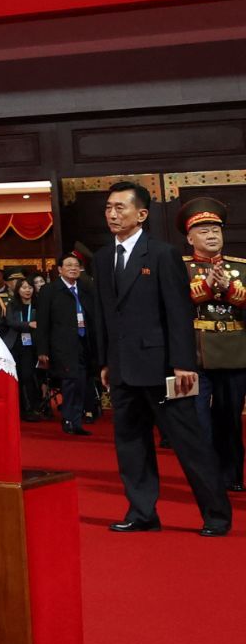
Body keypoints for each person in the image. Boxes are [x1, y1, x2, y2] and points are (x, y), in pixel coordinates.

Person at [93, 180, 230, 537]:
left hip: (163, 367)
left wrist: (184, 364)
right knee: (131, 446)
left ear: (141, 214)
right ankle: (142, 513)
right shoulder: (103, 257)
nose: (112, 214)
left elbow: (178, 311)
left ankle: (217, 515)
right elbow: (106, 314)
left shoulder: (162, 253)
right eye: (108, 207)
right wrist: (106, 362)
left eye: (120, 207)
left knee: (190, 445)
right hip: (123, 368)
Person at [180, 197, 245, 493]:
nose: (211, 235)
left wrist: (229, 289)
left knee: (230, 419)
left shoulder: (240, 267)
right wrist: (206, 287)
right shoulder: (179, 268)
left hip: (234, 353)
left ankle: (231, 475)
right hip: (194, 355)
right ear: (190, 237)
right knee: (197, 421)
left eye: (216, 230)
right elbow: (174, 305)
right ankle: (205, 478)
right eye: (204, 231)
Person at [37, 254, 93, 436]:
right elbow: (43, 323)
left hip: (83, 343)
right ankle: (69, 419)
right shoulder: (50, 290)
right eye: (68, 265)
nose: (73, 268)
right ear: (60, 269)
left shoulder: (85, 289)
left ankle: (76, 420)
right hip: (62, 345)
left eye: (76, 265)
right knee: (69, 382)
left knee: (82, 383)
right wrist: (42, 350)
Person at [3, 276, 46, 421]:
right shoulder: (12, 305)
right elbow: (11, 322)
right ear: (18, 290)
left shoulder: (38, 305)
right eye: (24, 288)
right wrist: (28, 325)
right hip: (15, 345)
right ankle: (20, 408)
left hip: (32, 345)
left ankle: (32, 408)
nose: (27, 290)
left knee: (29, 376)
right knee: (18, 378)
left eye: (30, 287)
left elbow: (43, 323)